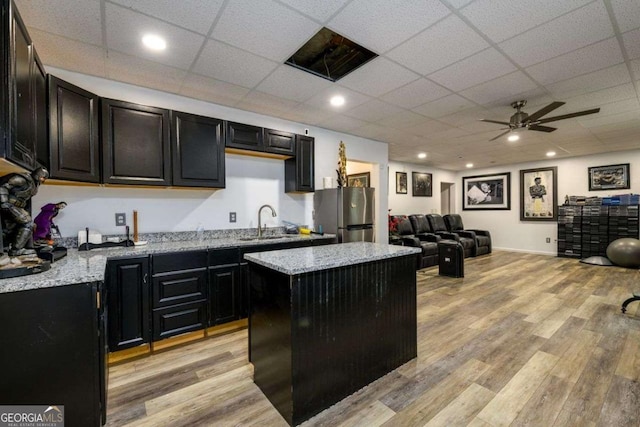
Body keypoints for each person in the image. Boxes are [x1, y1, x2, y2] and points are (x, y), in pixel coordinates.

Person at [0, 167, 49, 256]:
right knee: (28, 223)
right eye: (42, 177)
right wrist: (4, 202)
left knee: (10, 228)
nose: (43, 180)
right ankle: (16, 250)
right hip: (10, 205)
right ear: (38, 175)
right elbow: (3, 186)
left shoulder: (34, 184)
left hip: (17, 206)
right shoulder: (22, 179)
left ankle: (9, 248)